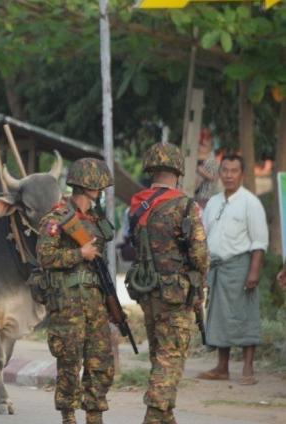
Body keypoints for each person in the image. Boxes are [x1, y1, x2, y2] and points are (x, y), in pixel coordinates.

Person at [125, 142, 209, 424]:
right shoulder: (185, 206)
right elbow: (199, 253)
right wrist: (201, 282)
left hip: (147, 291)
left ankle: (165, 417)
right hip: (175, 295)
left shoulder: (137, 205)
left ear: (150, 170)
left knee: (160, 358)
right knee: (170, 359)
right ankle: (153, 417)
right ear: (178, 170)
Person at [36, 158, 115, 424]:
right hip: (67, 306)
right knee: (70, 365)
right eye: (98, 185)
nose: (101, 190)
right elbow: (45, 257)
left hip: (95, 304)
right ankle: (68, 416)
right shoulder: (56, 219)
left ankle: (94, 415)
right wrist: (79, 254)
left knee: (101, 364)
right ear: (86, 185)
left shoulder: (97, 221)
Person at [197, 154, 268, 385]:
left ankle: (248, 368)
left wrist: (254, 272)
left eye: (234, 171)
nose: (228, 175)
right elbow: (204, 237)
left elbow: (259, 242)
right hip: (217, 267)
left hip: (241, 267)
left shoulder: (250, 202)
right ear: (220, 173)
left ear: (242, 174)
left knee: (245, 315)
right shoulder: (213, 202)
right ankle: (222, 367)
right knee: (219, 317)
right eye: (225, 170)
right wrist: (203, 269)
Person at [194, 128, 221, 207]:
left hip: (204, 201)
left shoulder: (210, 162)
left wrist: (198, 169)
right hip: (203, 200)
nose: (199, 147)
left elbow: (194, 185)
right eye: (200, 144)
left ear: (210, 146)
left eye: (203, 145)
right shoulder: (201, 160)